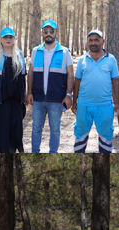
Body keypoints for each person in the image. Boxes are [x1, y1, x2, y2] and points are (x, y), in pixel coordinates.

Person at [26, 19, 73, 153]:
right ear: (42, 33)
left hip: (56, 99)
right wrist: (29, 92)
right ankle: (35, 152)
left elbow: (70, 74)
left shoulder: (64, 52)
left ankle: (53, 152)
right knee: (36, 128)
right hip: (38, 98)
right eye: (46, 31)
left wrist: (68, 95)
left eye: (51, 31)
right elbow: (30, 73)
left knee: (55, 130)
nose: (48, 34)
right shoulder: (36, 51)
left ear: (56, 33)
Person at [72, 29, 119, 153]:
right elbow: (77, 81)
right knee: (80, 135)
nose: (93, 43)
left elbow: (116, 81)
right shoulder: (82, 59)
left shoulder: (111, 59)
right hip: (84, 105)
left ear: (102, 41)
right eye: (91, 40)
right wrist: (74, 101)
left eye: (96, 40)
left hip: (104, 105)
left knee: (105, 136)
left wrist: (117, 103)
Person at [0, 27, 27, 153]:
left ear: (14, 39)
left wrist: (25, 95)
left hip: (16, 102)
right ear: (0, 39)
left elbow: (23, 77)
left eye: (10, 37)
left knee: (14, 133)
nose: (8, 39)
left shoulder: (19, 55)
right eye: (5, 37)